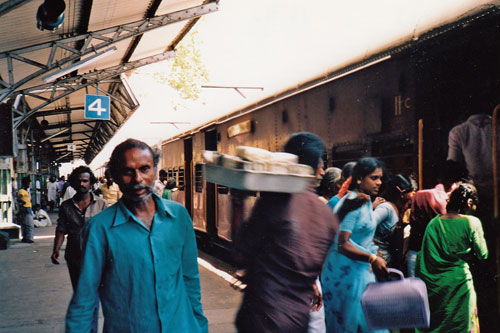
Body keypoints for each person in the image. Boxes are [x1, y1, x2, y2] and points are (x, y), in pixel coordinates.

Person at [66, 138, 208, 332]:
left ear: (155, 171)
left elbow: (190, 279)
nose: (138, 179)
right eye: (127, 171)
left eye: (144, 169)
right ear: (114, 176)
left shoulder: (179, 217)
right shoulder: (99, 229)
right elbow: (85, 299)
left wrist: (200, 326)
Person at [233, 132, 338, 332]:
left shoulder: (275, 202)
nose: (323, 171)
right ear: (316, 168)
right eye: (322, 165)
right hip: (298, 319)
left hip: (261, 318)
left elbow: (240, 253)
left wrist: (237, 201)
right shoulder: (327, 216)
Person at [321, 157, 389, 333]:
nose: (379, 183)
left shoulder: (364, 200)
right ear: (359, 179)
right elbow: (342, 244)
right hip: (347, 275)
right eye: (374, 178)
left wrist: (373, 253)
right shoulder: (353, 204)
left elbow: (361, 236)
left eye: (380, 178)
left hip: (358, 272)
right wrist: (371, 257)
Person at [415, 183, 488, 333]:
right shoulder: (471, 222)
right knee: (462, 325)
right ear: (469, 203)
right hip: (460, 284)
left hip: (436, 288)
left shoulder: (434, 223)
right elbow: (483, 254)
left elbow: (424, 258)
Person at [407, 160, 465, 277]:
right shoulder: (446, 202)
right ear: (454, 181)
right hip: (437, 258)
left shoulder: (418, 195)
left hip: (415, 252)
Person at [373, 174, 414, 270]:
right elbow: (366, 226)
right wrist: (376, 254)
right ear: (402, 193)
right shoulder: (386, 208)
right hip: (378, 262)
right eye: (410, 191)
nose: (413, 194)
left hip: (388, 262)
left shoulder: (399, 209)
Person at [17, 176, 35, 243]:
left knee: (24, 224)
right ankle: (29, 238)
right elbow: (18, 198)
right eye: (28, 183)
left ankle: (25, 237)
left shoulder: (26, 191)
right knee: (29, 224)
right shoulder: (22, 191)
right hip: (26, 208)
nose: (29, 185)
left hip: (27, 208)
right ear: (24, 183)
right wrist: (22, 202)